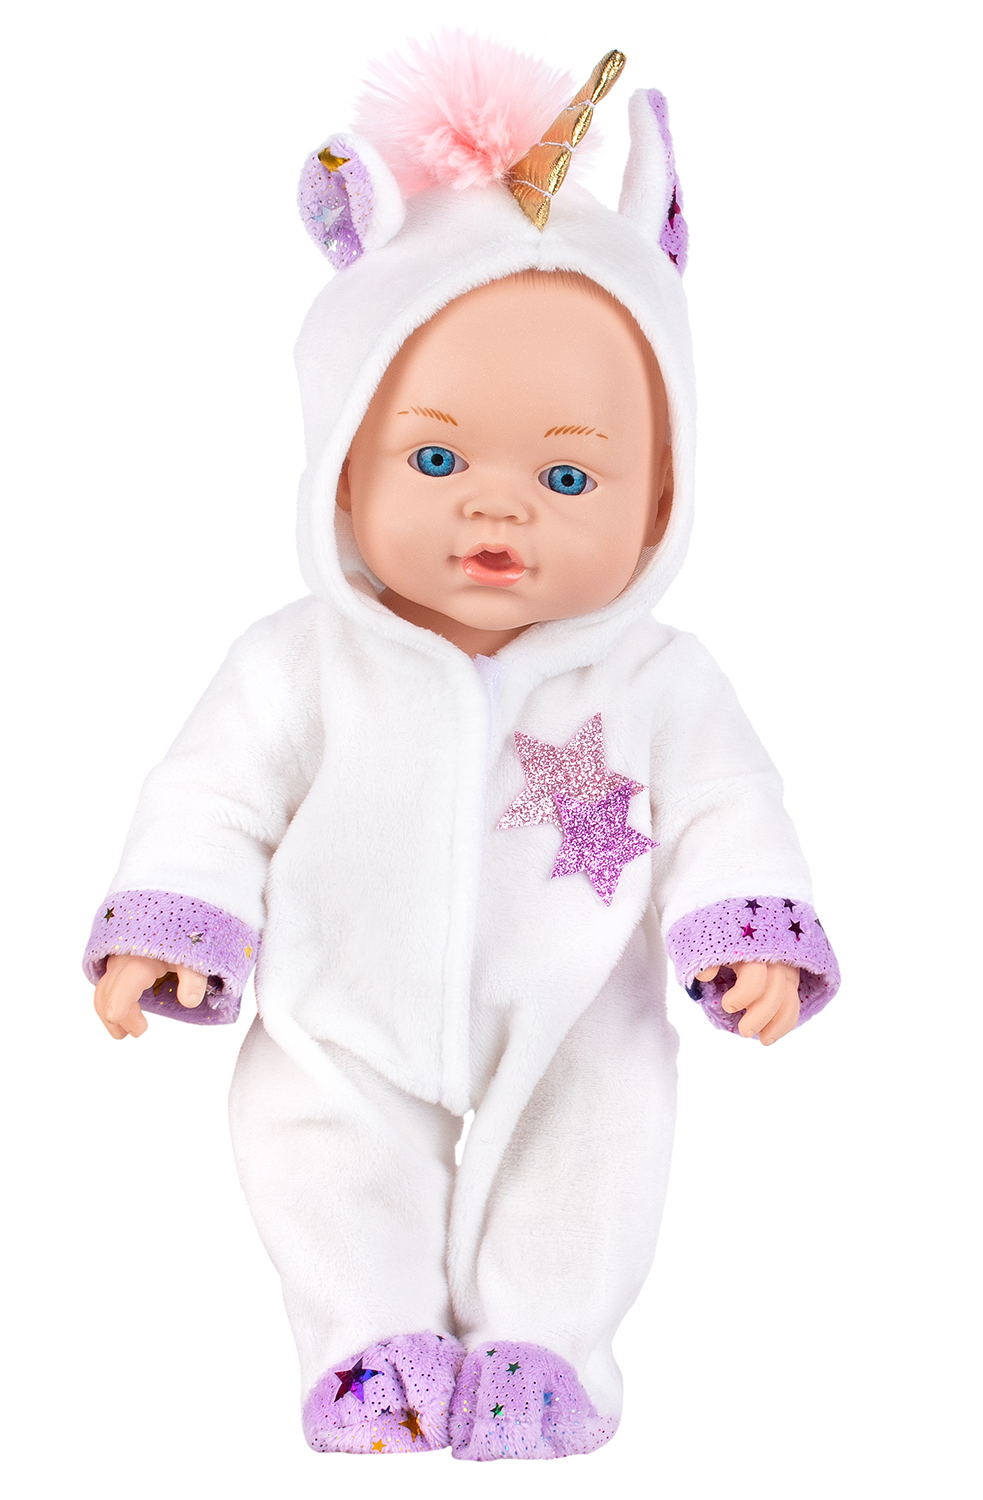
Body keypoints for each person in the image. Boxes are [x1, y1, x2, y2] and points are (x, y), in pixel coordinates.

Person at [85, 36, 839, 1461]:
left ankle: (546, 1351)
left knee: (598, 1133)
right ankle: (369, 1339)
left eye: (569, 474)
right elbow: (212, 793)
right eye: (435, 460)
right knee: (312, 1131)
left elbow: (727, 804)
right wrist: (172, 916)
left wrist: (745, 925)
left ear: (660, 495)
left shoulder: (658, 681)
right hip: (342, 987)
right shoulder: (301, 664)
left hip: (571, 993)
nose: (500, 510)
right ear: (343, 470)